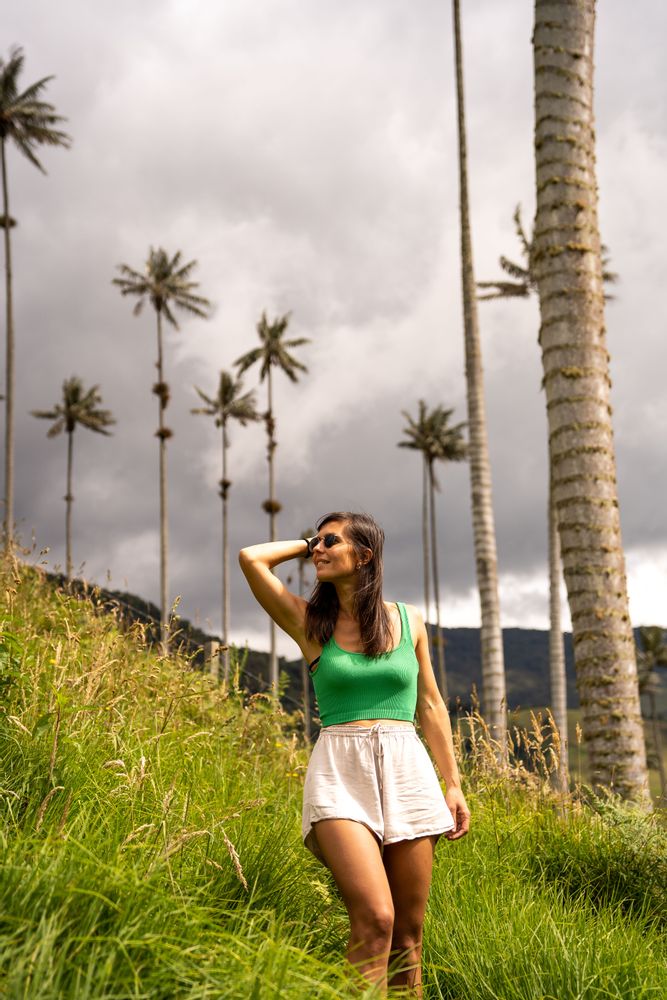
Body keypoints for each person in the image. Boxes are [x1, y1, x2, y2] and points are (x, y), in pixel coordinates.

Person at [239, 511, 470, 995]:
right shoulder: (310, 624)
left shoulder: (409, 620)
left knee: (408, 937)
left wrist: (453, 783)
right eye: (316, 541)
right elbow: (251, 559)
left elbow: (430, 704)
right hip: (341, 771)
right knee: (375, 918)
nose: (318, 549)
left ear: (365, 556)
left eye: (330, 541)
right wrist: (308, 543)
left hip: (408, 768)